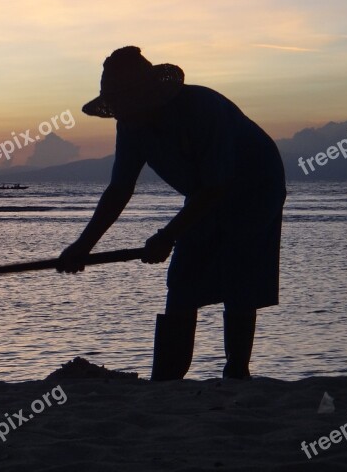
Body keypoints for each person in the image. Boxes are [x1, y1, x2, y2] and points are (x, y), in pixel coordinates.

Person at [56, 46, 286, 380]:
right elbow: (119, 189)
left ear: (147, 95)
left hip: (255, 186)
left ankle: (236, 371)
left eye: (125, 105)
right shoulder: (131, 126)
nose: (121, 115)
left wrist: (167, 236)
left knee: (239, 273)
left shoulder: (202, 109)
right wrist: (83, 246)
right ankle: (167, 378)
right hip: (205, 192)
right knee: (182, 279)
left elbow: (216, 186)